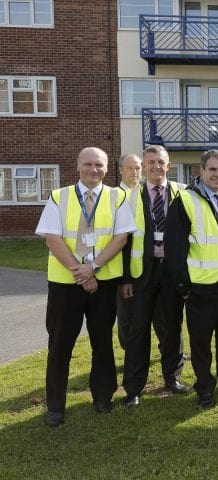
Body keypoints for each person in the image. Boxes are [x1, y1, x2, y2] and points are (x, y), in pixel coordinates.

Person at [35, 147, 136, 426]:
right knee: (59, 344)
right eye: (89, 164)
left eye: (100, 165)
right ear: (78, 166)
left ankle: (103, 397)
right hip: (65, 284)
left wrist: (92, 268)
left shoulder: (118, 196)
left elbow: (121, 238)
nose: (94, 170)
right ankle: (55, 406)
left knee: (102, 342)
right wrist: (81, 273)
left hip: (103, 282)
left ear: (107, 168)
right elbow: (52, 239)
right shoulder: (60, 196)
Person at [165, 150, 218, 409]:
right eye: (212, 169)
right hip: (200, 285)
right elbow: (174, 248)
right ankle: (204, 388)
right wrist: (183, 287)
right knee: (201, 342)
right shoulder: (186, 199)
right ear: (201, 171)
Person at [121, 145, 188, 407]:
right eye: (150, 162)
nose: (156, 167)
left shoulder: (183, 194)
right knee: (138, 332)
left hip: (171, 272)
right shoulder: (129, 197)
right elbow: (123, 241)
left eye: (161, 162)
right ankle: (134, 388)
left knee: (173, 327)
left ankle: (172, 378)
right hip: (141, 275)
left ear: (168, 166)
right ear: (143, 167)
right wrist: (125, 278)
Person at [116, 153, 143, 350]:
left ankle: (167, 349)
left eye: (138, 168)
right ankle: (130, 352)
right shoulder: (113, 196)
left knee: (161, 314)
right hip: (122, 266)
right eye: (130, 168)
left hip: (147, 266)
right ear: (120, 171)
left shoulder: (148, 194)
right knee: (126, 315)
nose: (135, 172)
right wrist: (124, 278)